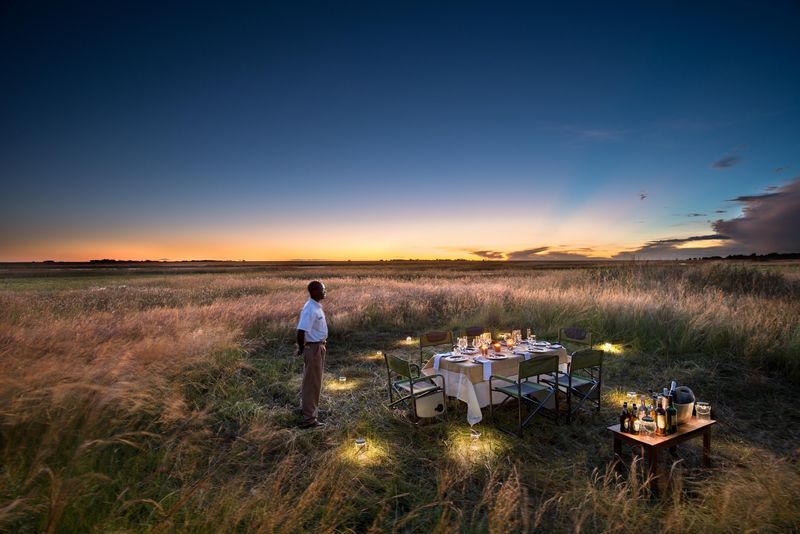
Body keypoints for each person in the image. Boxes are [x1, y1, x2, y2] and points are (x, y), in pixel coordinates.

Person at [296, 280, 328, 428]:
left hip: (317, 347)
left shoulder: (315, 306)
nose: (325, 291)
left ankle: (307, 410)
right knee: (312, 384)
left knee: (312, 382)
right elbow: (301, 330)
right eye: (323, 289)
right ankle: (309, 419)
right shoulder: (310, 308)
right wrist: (302, 348)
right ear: (315, 292)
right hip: (314, 349)